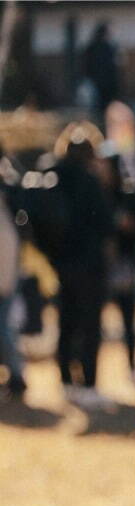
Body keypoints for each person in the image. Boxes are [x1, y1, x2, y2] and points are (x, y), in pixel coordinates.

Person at [46, 123, 113, 409]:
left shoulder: (53, 176)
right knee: (90, 326)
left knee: (66, 322)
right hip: (89, 262)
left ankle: (65, 382)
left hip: (61, 262)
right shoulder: (90, 180)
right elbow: (105, 223)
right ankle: (87, 383)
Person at [100, 141, 135, 385]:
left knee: (128, 320)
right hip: (100, 265)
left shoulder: (130, 192)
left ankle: (132, 367)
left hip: (124, 264)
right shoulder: (96, 191)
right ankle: (91, 374)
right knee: (92, 322)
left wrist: (128, 228)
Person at [0, 144, 24, 400]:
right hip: (9, 261)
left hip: (5, 264)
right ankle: (15, 374)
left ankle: (16, 376)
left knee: (4, 325)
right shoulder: (10, 183)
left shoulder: (8, 186)